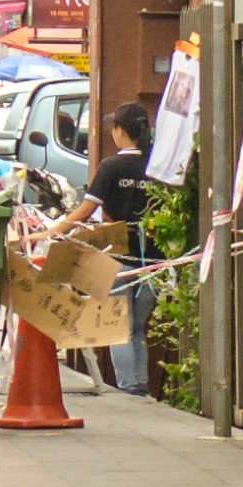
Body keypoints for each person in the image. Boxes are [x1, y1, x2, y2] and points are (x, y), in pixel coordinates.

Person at [87, 98, 155, 395]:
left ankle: (129, 389)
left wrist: (55, 229)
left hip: (120, 258)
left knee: (119, 329)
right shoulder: (156, 165)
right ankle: (140, 385)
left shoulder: (112, 166)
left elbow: (87, 208)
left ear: (119, 130)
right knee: (137, 328)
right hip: (156, 260)